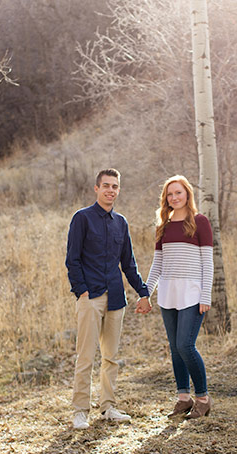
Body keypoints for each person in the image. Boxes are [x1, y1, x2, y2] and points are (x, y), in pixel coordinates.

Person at [65, 168, 150, 430]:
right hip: (90, 297)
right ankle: (80, 410)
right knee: (86, 356)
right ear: (96, 188)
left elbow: (128, 263)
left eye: (114, 186)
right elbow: (72, 259)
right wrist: (82, 290)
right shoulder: (82, 218)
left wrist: (143, 291)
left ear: (118, 190)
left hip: (116, 298)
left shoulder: (121, 223)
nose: (110, 190)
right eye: (106, 186)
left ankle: (108, 407)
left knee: (111, 357)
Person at [139, 176, 212, 419]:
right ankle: (183, 398)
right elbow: (157, 264)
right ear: (166, 198)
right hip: (168, 294)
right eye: (170, 194)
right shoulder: (164, 225)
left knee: (185, 345)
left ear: (187, 194)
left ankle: (203, 398)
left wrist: (206, 295)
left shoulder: (200, 222)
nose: (174, 197)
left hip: (192, 294)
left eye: (178, 192)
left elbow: (207, 263)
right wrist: (145, 293)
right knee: (174, 348)